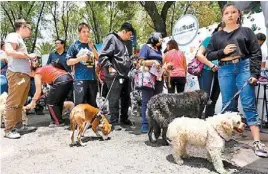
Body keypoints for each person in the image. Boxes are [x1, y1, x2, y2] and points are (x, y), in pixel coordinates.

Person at [206, 3, 268, 157]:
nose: (230, 15)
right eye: (227, 13)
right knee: (229, 104)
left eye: (233, 12)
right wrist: (222, 52)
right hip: (225, 69)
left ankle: (257, 142)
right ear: (223, 16)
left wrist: (255, 73)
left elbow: (255, 52)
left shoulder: (246, 31)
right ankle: (227, 140)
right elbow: (209, 55)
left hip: (244, 67)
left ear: (238, 14)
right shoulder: (216, 36)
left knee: (248, 103)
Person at [4, 19, 37, 139]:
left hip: (23, 74)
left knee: (20, 103)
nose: (30, 31)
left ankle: (19, 126)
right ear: (22, 26)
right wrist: (29, 56)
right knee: (13, 102)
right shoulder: (13, 36)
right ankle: (8, 129)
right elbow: (9, 51)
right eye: (29, 28)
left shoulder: (20, 40)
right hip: (16, 74)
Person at [99, 22, 135, 131]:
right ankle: (114, 121)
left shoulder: (123, 42)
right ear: (123, 31)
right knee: (114, 98)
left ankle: (124, 118)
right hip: (114, 74)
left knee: (126, 98)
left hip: (124, 74)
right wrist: (109, 66)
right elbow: (103, 56)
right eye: (129, 34)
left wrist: (131, 63)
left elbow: (122, 58)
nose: (130, 37)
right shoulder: (112, 38)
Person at [25, 59, 73, 127]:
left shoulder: (37, 74)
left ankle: (57, 122)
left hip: (61, 80)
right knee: (58, 101)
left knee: (50, 102)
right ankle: (59, 119)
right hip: (68, 78)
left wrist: (33, 102)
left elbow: (38, 91)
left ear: (30, 71)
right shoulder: (42, 69)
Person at [66, 23, 99, 107]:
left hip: (92, 79)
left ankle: (92, 120)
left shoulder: (92, 45)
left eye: (88, 31)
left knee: (92, 105)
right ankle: (79, 120)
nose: (86, 34)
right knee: (80, 105)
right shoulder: (74, 46)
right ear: (79, 33)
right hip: (80, 79)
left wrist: (92, 48)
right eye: (84, 32)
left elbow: (98, 58)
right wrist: (80, 58)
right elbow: (68, 62)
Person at [137, 32, 164, 133]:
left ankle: (156, 123)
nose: (161, 40)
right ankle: (145, 124)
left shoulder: (159, 51)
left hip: (159, 77)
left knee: (157, 101)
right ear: (154, 38)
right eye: (160, 37)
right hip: (148, 77)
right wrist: (153, 62)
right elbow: (140, 62)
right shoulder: (145, 47)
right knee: (147, 101)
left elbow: (161, 63)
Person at [196, 23, 223, 117]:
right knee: (204, 97)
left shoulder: (226, 42)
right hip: (207, 70)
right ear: (219, 29)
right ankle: (197, 120)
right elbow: (199, 55)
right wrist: (211, 65)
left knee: (214, 98)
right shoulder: (209, 39)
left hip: (221, 72)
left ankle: (209, 120)